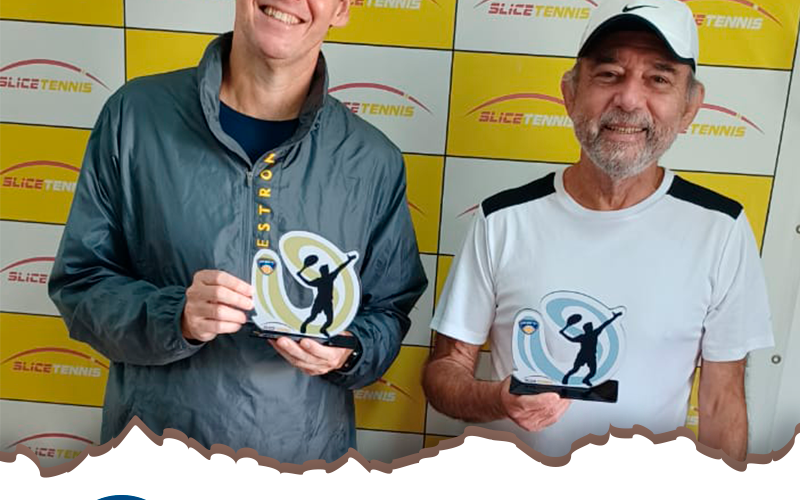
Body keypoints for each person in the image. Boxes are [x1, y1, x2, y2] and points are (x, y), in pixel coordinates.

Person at [48, 0, 427, 464]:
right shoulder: (135, 118)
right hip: (154, 466)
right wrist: (174, 316)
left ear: (342, 9)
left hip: (303, 468)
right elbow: (80, 282)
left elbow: (389, 310)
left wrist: (348, 351)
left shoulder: (372, 161)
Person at [423, 0, 773, 461]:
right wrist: (497, 399)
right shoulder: (502, 219)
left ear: (690, 107)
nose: (628, 100)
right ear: (570, 94)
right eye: (608, 74)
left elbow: (722, 402)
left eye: (658, 79)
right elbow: (445, 370)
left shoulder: (721, 229)